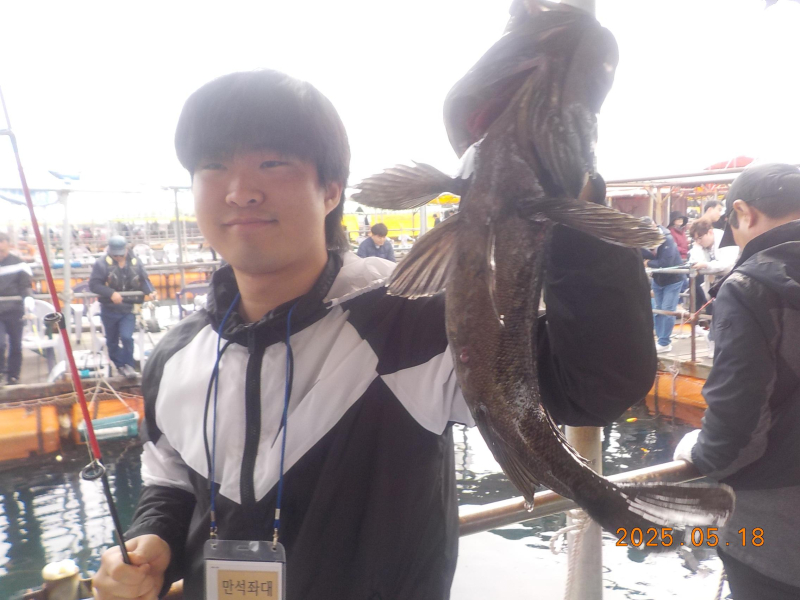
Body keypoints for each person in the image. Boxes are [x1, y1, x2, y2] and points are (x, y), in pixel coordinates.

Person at [92, 70, 657, 600]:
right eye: (213, 166)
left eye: (272, 163)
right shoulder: (173, 355)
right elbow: (169, 480)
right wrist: (153, 540)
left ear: (331, 190)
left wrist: (573, 193)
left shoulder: (413, 322)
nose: (240, 191)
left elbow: (593, 385)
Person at [674, 163, 800, 599]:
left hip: (778, 540)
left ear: (743, 213)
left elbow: (734, 440)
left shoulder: (751, 286)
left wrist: (696, 450)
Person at [89, 235, 156, 379]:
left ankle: (129, 364)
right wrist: (110, 293)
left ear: (126, 249)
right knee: (111, 341)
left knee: (126, 337)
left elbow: (144, 280)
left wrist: (150, 291)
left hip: (128, 308)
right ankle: (120, 365)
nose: (118, 257)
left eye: (120, 254)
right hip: (109, 309)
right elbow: (94, 285)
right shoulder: (101, 264)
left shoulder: (136, 262)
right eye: (115, 255)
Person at [642, 218, 684, 353]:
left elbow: (666, 263)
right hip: (658, 279)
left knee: (667, 310)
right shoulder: (642, 240)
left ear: (654, 226)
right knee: (658, 311)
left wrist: (647, 263)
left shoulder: (667, 239)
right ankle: (661, 340)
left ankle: (664, 342)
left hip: (673, 278)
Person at [0, 232, 34, 385]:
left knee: (16, 345)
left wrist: (28, 298)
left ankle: (13, 376)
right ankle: (1, 372)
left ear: (8, 245)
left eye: (2, 250)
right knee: (0, 343)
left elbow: (25, 285)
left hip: (15, 310)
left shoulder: (20, 264)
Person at [688, 218, 737, 300]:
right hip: (713, 285)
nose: (698, 242)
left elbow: (727, 264)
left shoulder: (725, 239)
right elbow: (694, 261)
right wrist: (697, 247)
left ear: (710, 232)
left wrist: (706, 265)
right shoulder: (701, 244)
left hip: (731, 283)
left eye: (700, 238)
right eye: (695, 239)